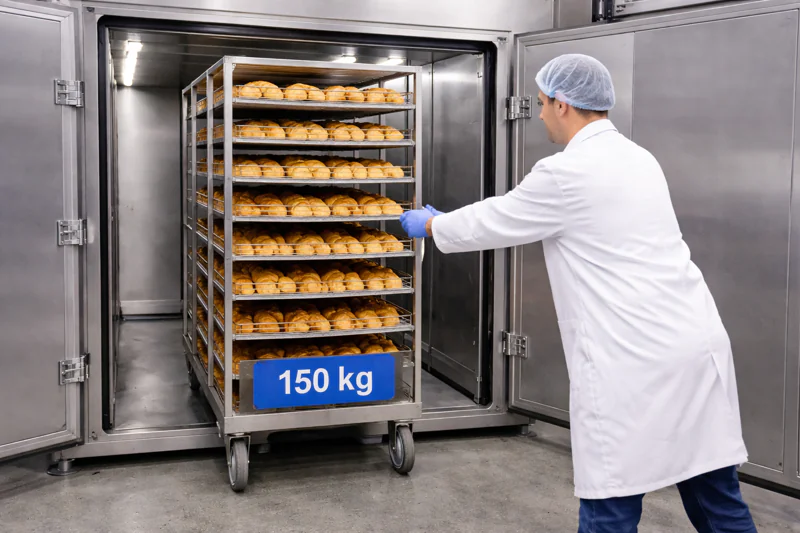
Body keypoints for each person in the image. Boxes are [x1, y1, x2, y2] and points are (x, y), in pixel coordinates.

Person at [400, 54, 757, 533]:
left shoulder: (565, 173)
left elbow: (498, 218)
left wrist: (433, 224)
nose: (540, 113)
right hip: (694, 345)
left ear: (564, 105)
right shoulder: (640, 158)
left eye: (544, 103)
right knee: (716, 496)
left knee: (610, 503)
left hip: (633, 362)